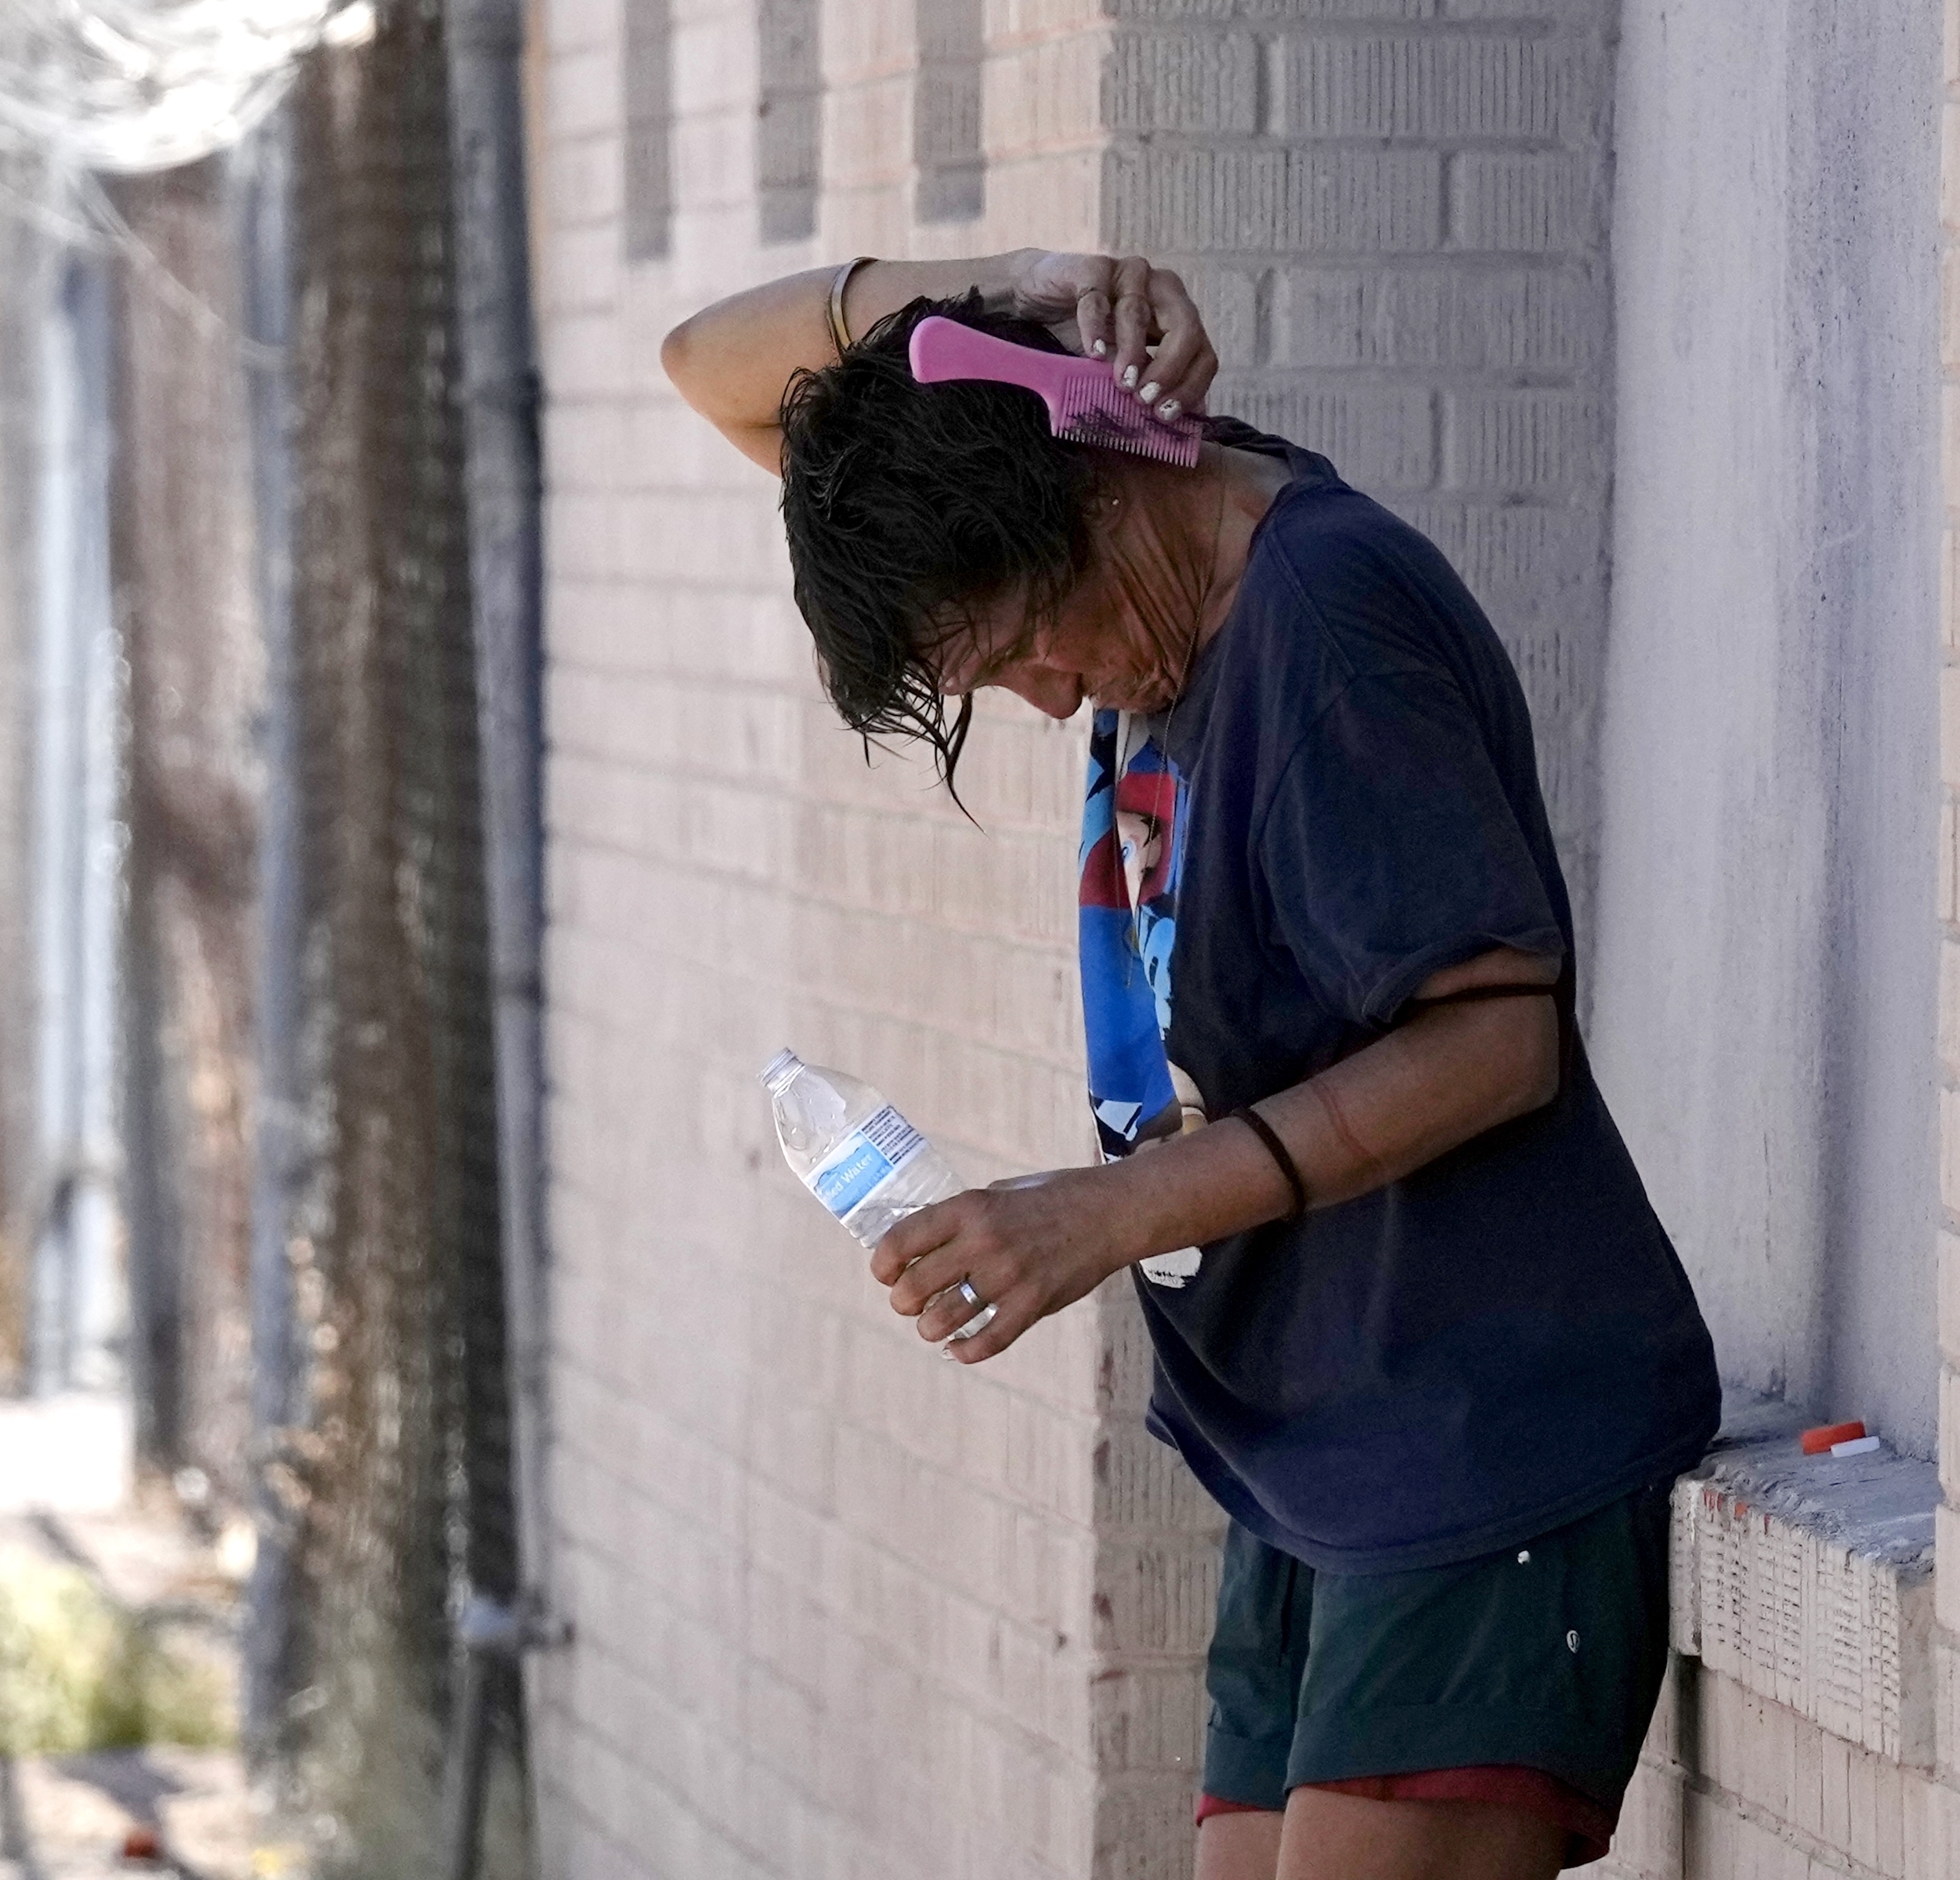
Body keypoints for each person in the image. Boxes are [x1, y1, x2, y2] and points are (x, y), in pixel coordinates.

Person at [664, 250, 1722, 1880]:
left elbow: (1498, 1036)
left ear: (1091, 466)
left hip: (1477, 1439)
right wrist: (1007, 291)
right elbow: (707, 368)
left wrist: (1108, 1212)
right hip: (1319, 1462)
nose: (1044, 697)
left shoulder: (1321, 620)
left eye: (1029, 643)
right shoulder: (1123, 549)